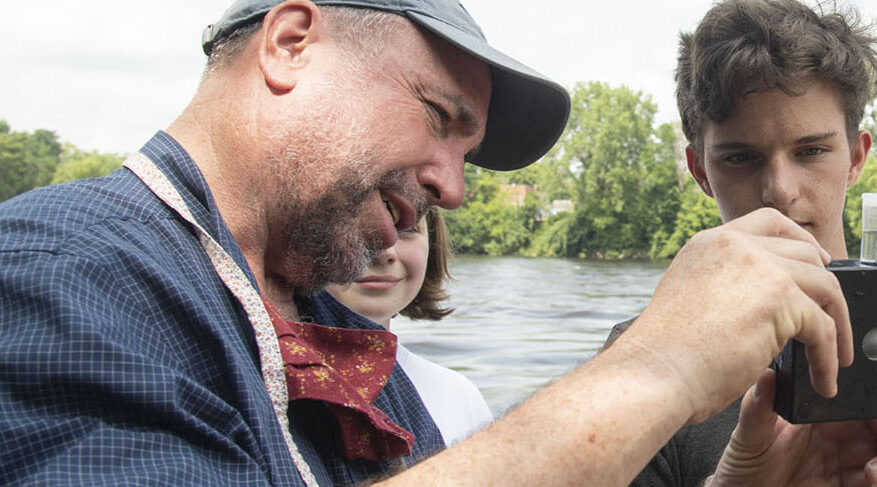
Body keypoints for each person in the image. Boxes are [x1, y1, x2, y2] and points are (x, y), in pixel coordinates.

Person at [0, 0, 867, 485]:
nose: (452, 186)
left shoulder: (365, 372)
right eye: (439, 118)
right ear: (292, 45)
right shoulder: (59, 273)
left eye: (465, 148)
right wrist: (658, 366)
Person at [604, 0, 877, 485]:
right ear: (699, 171)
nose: (780, 191)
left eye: (811, 151)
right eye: (740, 158)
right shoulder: (645, 359)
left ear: (856, 157)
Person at [326, 207, 493, 446]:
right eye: (355, 227)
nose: (384, 251)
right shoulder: (265, 388)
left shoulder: (458, 396)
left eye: (405, 228)